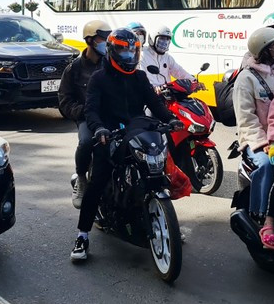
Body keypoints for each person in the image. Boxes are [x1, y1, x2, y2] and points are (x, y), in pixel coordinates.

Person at [71, 28, 182, 262]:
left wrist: (170, 119)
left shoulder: (140, 77)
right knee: (97, 182)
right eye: (123, 51)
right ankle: (82, 235)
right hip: (108, 133)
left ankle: (164, 221)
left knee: (159, 170)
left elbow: (155, 102)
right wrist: (99, 128)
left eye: (133, 51)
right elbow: (91, 110)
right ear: (112, 51)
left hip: (137, 130)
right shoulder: (98, 78)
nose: (129, 56)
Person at [234, 27, 274, 249]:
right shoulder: (246, 79)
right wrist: (264, 143)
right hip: (257, 141)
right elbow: (246, 120)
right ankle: (260, 216)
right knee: (266, 166)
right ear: (265, 50)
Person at [58, 20, 111, 209]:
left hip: (112, 116)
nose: (106, 42)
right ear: (89, 40)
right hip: (87, 119)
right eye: (102, 38)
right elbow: (65, 101)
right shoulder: (73, 69)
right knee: (87, 142)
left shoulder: (112, 65)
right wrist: (84, 112)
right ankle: (81, 178)